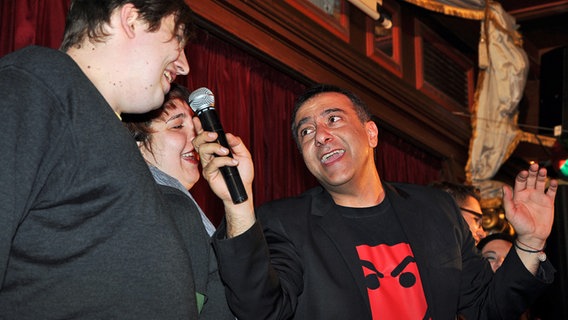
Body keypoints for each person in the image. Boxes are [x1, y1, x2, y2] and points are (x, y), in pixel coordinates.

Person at [193, 83, 557, 319]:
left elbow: (486, 308)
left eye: (333, 119)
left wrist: (530, 243)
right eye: (306, 131)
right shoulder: (285, 222)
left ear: (370, 132)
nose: (320, 135)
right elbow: (261, 310)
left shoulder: (437, 210)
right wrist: (239, 207)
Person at [0, 1, 198, 318]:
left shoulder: (107, 129)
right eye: (178, 39)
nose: (184, 65)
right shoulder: (38, 85)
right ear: (132, 19)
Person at [123, 83, 234, 319]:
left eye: (195, 126)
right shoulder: (172, 206)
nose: (195, 139)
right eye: (177, 126)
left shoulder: (134, 204)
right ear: (138, 143)